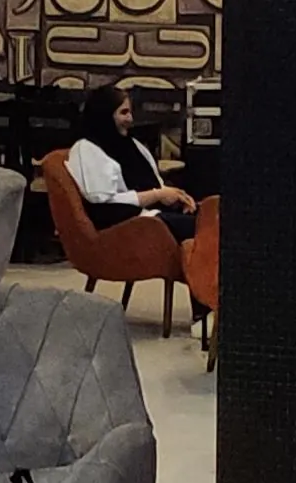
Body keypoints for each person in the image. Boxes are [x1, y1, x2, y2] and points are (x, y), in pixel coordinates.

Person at [66, 84, 208, 322]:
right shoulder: (86, 149)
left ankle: (213, 304)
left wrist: (178, 198)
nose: (130, 119)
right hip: (123, 224)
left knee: (210, 216)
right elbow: (102, 199)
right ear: (104, 114)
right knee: (201, 229)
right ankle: (203, 312)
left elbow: (156, 184)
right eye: (123, 113)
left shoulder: (133, 145)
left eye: (130, 112)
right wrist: (157, 195)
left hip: (149, 215)